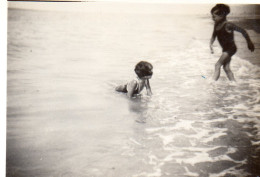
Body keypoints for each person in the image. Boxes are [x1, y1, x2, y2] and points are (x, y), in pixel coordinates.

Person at [210, 4, 255, 81]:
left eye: (214, 16)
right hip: (225, 49)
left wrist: (249, 42)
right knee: (226, 68)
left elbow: (243, 31)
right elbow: (214, 36)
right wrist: (210, 45)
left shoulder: (228, 25)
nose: (213, 18)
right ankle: (234, 83)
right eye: (212, 16)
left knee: (217, 65)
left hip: (230, 49)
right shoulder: (216, 25)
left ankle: (212, 84)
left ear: (222, 15)